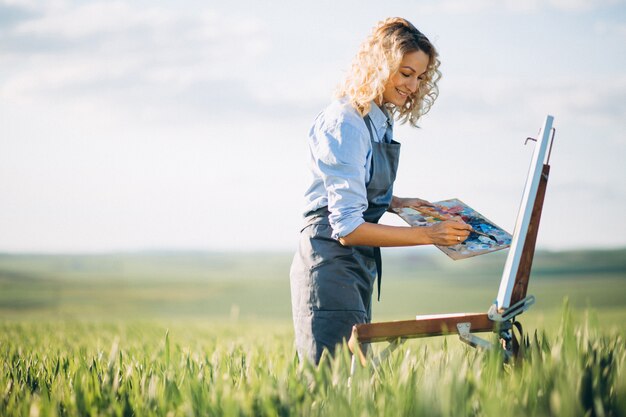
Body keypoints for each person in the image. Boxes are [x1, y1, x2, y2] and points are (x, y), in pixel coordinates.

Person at [290, 17, 471, 364]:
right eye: (405, 73)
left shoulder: (378, 121)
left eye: (419, 77)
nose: (413, 86)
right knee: (333, 386)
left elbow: (355, 188)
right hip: (330, 262)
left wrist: (396, 203)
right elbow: (347, 228)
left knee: (352, 385)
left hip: (355, 266)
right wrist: (430, 235)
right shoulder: (346, 122)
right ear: (379, 65)